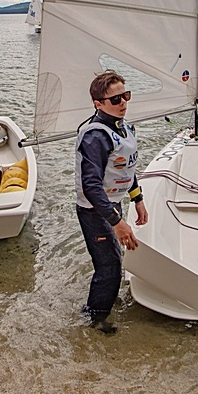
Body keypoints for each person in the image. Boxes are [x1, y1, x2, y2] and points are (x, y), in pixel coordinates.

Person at [75, 70, 148, 334]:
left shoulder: (124, 127)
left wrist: (137, 199)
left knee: (113, 260)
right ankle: (95, 319)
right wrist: (116, 222)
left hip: (112, 204)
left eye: (125, 96)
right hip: (94, 209)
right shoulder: (96, 136)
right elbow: (91, 187)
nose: (123, 103)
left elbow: (126, 168)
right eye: (115, 100)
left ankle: (100, 301)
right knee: (110, 265)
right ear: (98, 103)